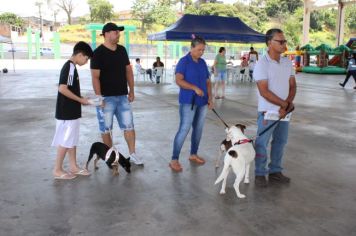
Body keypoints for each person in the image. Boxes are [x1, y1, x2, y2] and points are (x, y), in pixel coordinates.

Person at [90, 22, 143, 165]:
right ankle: (111, 156)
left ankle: (132, 154)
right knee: (106, 129)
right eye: (115, 32)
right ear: (106, 34)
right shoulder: (98, 53)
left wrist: (131, 90)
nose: (118, 34)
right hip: (105, 98)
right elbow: (95, 77)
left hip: (122, 97)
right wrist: (99, 97)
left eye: (119, 32)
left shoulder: (122, 50)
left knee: (129, 127)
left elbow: (128, 71)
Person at [253, 28, 297, 187]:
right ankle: (259, 173)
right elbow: (264, 91)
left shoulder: (287, 62)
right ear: (269, 43)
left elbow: (292, 86)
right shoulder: (261, 64)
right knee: (262, 143)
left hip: (284, 112)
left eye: (284, 41)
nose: (284, 44)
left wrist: (287, 104)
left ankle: (275, 171)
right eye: (280, 41)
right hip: (267, 112)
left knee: (280, 141)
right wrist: (284, 105)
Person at [169, 35, 214, 172]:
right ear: (192, 48)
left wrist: (210, 98)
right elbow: (179, 80)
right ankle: (174, 159)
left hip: (202, 102)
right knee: (184, 129)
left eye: (203, 50)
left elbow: (207, 81)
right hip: (188, 102)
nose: (201, 52)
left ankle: (193, 154)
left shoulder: (202, 62)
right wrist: (194, 88)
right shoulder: (184, 62)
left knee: (198, 130)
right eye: (199, 49)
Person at [51, 41, 94, 179]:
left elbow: (69, 89)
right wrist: (81, 100)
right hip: (67, 112)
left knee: (71, 139)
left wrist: (81, 98)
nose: (86, 62)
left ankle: (73, 166)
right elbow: (62, 88)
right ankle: (57, 170)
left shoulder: (72, 67)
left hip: (71, 111)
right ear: (80, 55)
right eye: (86, 59)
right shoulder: (69, 67)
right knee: (65, 140)